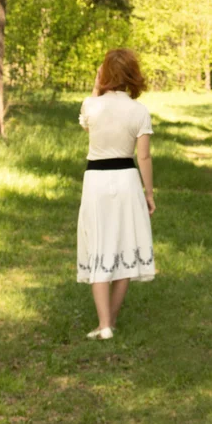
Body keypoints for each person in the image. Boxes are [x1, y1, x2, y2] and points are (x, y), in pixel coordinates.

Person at [77, 48, 156, 341]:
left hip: (96, 181)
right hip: (126, 180)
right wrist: (149, 193)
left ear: (105, 73)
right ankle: (109, 320)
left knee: (99, 243)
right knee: (124, 245)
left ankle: (104, 324)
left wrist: (97, 88)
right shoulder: (139, 110)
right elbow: (144, 157)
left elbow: (86, 122)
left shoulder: (91, 105)